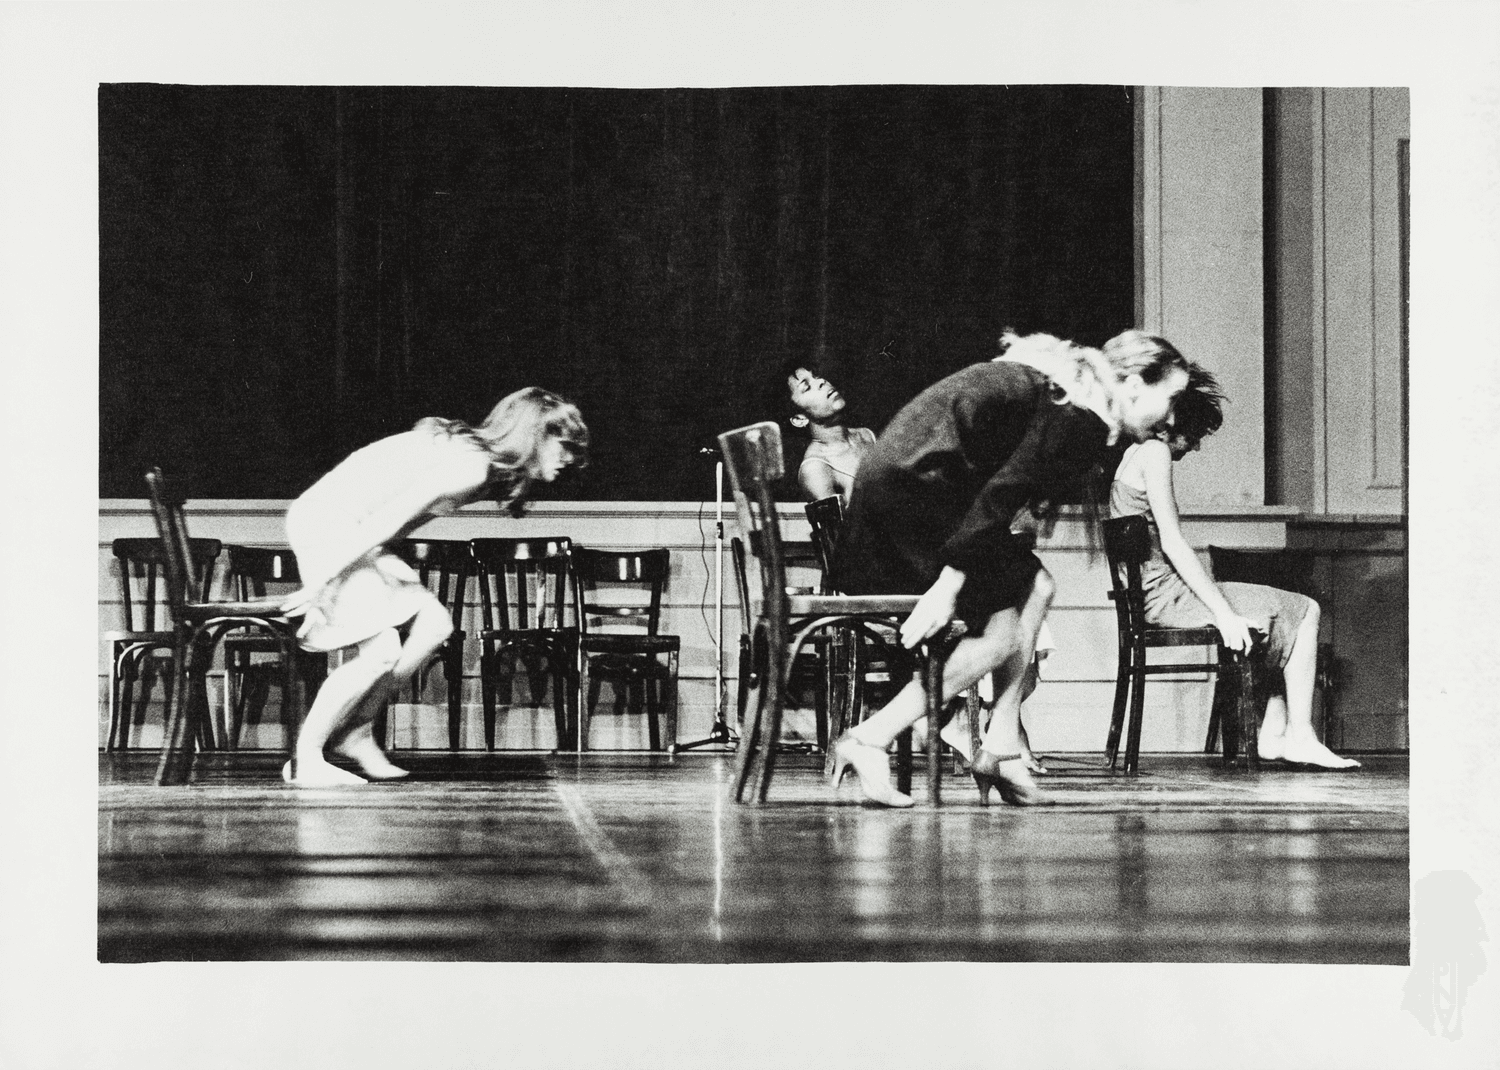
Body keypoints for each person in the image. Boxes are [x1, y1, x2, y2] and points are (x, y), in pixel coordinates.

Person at [830, 329, 1194, 807]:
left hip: (907, 491)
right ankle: (869, 737)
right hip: (910, 502)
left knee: (1037, 584)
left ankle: (1000, 747)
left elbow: (997, 491)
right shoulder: (1078, 414)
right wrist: (948, 584)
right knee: (997, 636)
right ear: (1130, 383)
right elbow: (1001, 494)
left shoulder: (1066, 393)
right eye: (1168, 400)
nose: (1170, 418)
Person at [278, 387, 589, 786]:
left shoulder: (482, 468)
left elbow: (402, 521)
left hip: (360, 532)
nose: (569, 460)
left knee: (434, 625)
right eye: (563, 446)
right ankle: (305, 759)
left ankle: (355, 731)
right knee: (382, 651)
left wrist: (382, 563)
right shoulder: (470, 467)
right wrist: (322, 581)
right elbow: (386, 518)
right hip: (331, 523)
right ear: (533, 434)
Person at [1110, 368, 1358, 770]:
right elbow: (1173, 544)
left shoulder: (1130, 454)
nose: (1194, 447)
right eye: (1194, 436)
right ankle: (1299, 735)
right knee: (1306, 609)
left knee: (1282, 612)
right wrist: (1224, 614)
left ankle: (1276, 734)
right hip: (1168, 598)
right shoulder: (1154, 453)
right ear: (1175, 423)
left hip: (1155, 594)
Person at [783, 362, 877, 505]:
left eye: (817, 376)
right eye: (807, 387)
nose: (821, 382)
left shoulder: (866, 435)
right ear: (799, 419)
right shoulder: (815, 468)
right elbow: (840, 526)